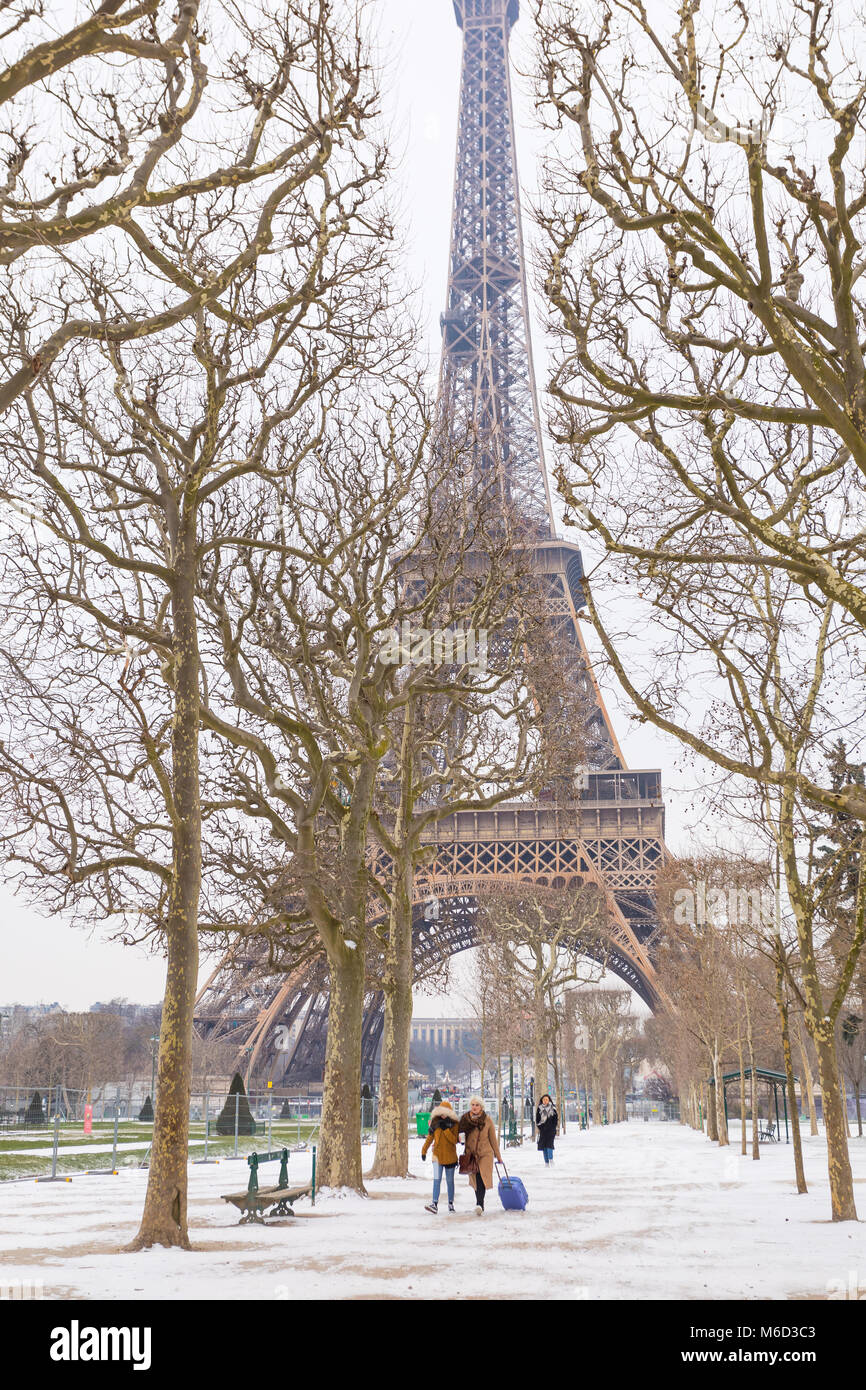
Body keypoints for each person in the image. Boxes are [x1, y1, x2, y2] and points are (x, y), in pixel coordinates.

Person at [458, 1096, 502, 1215]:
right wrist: (460, 1139)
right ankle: (479, 1204)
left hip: (485, 1153)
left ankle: (479, 1204)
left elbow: (493, 1140)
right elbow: (459, 1134)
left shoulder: (487, 1120)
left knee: (482, 1178)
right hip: (471, 1154)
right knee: (476, 1179)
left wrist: (498, 1156)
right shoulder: (465, 1119)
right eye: (473, 1105)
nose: (474, 1107)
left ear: (481, 1107)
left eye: (477, 1105)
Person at [421, 1097, 459, 1213]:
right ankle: (434, 1203)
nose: (443, 1115)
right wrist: (424, 1151)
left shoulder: (454, 1124)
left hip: (450, 1157)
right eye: (441, 1112)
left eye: (445, 1112)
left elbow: (454, 1140)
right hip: (437, 1157)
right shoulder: (435, 1123)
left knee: (450, 1181)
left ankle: (450, 1203)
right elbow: (429, 1138)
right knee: (436, 1180)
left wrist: (446, 1130)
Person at [536, 1093, 558, 1165]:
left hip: (551, 1130)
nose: (545, 1101)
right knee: (544, 1146)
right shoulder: (539, 1109)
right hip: (543, 1131)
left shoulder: (553, 1108)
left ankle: (551, 1159)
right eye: (544, 1099)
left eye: (546, 1099)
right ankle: (546, 1162)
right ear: (542, 1100)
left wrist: (553, 1127)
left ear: (549, 1100)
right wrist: (541, 1127)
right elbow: (537, 1120)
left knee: (549, 1145)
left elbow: (555, 1119)